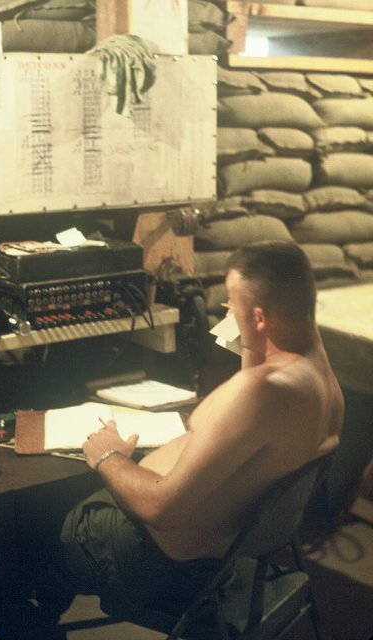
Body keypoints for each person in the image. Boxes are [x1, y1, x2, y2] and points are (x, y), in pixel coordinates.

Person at [41, 240, 344, 623]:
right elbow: (259, 412)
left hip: (158, 565)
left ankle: (32, 616)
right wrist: (251, 333)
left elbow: (160, 509)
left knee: (38, 521)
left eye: (233, 304)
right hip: (220, 558)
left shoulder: (260, 392)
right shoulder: (322, 380)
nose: (227, 312)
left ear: (260, 317)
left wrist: (108, 454)